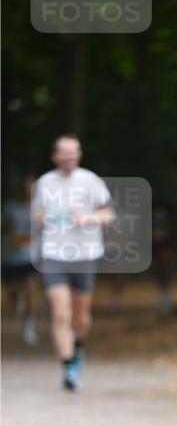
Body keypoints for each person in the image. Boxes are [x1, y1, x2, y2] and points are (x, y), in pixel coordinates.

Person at [32, 134, 115, 390]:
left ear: (79, 154)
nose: (69, 156)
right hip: (54, 254)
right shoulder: (44, 183)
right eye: (64, 152)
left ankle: (78, 348)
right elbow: (36, 213)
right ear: (55, 156)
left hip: (85, 254)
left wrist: (88, 219)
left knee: (80, 317)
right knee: (60, 313)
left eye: (74, 151)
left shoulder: (90, 180)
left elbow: (109, 213)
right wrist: (45, 217)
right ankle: (68, 367)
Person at [2, 175, 41, 345]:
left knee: (31, 290)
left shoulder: (42, 209)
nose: (27, 191)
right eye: (25, 187)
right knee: (13, 293)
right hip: (10, 258)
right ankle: (17, 299)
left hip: (31, 259)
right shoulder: (10, 209)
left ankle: (29, 327)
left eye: (31, 188)